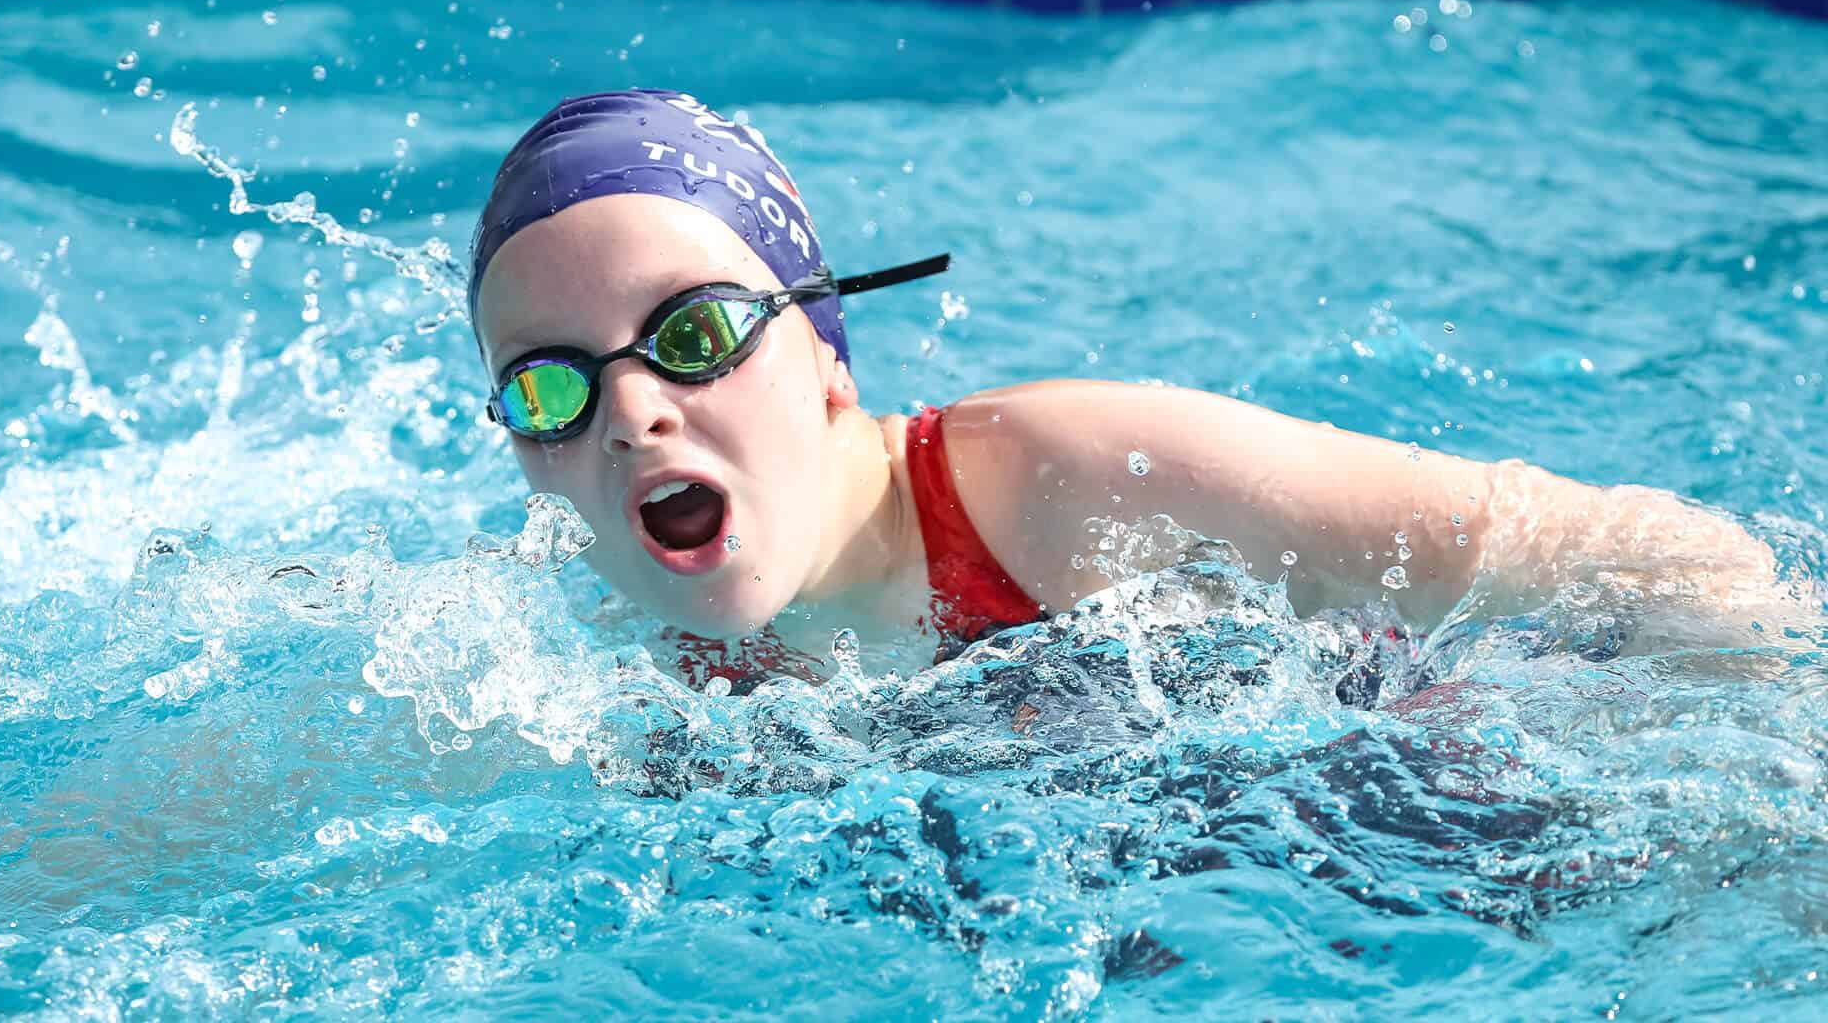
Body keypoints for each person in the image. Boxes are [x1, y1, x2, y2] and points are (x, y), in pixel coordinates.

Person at [470, 88, 1802, 686]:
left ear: (824, 349)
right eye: (548, 390)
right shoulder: (608, 667)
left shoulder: (1063, 478)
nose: (631, 412)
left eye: (694, 335)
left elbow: (1650, 559)